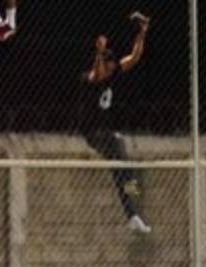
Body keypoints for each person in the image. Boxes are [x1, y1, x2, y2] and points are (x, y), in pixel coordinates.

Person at [80, 13, 153, 235]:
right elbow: (96, 73)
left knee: (122, 169)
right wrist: (99, 53)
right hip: (94, 132)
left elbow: (135, 56)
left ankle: (132, 212)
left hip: (107, 132)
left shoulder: (113, 72)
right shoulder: (91, 78)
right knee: (121, 162)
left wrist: (141, 33)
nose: (110, 72)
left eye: (111, 67)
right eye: (107, 67)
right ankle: (132, 207)